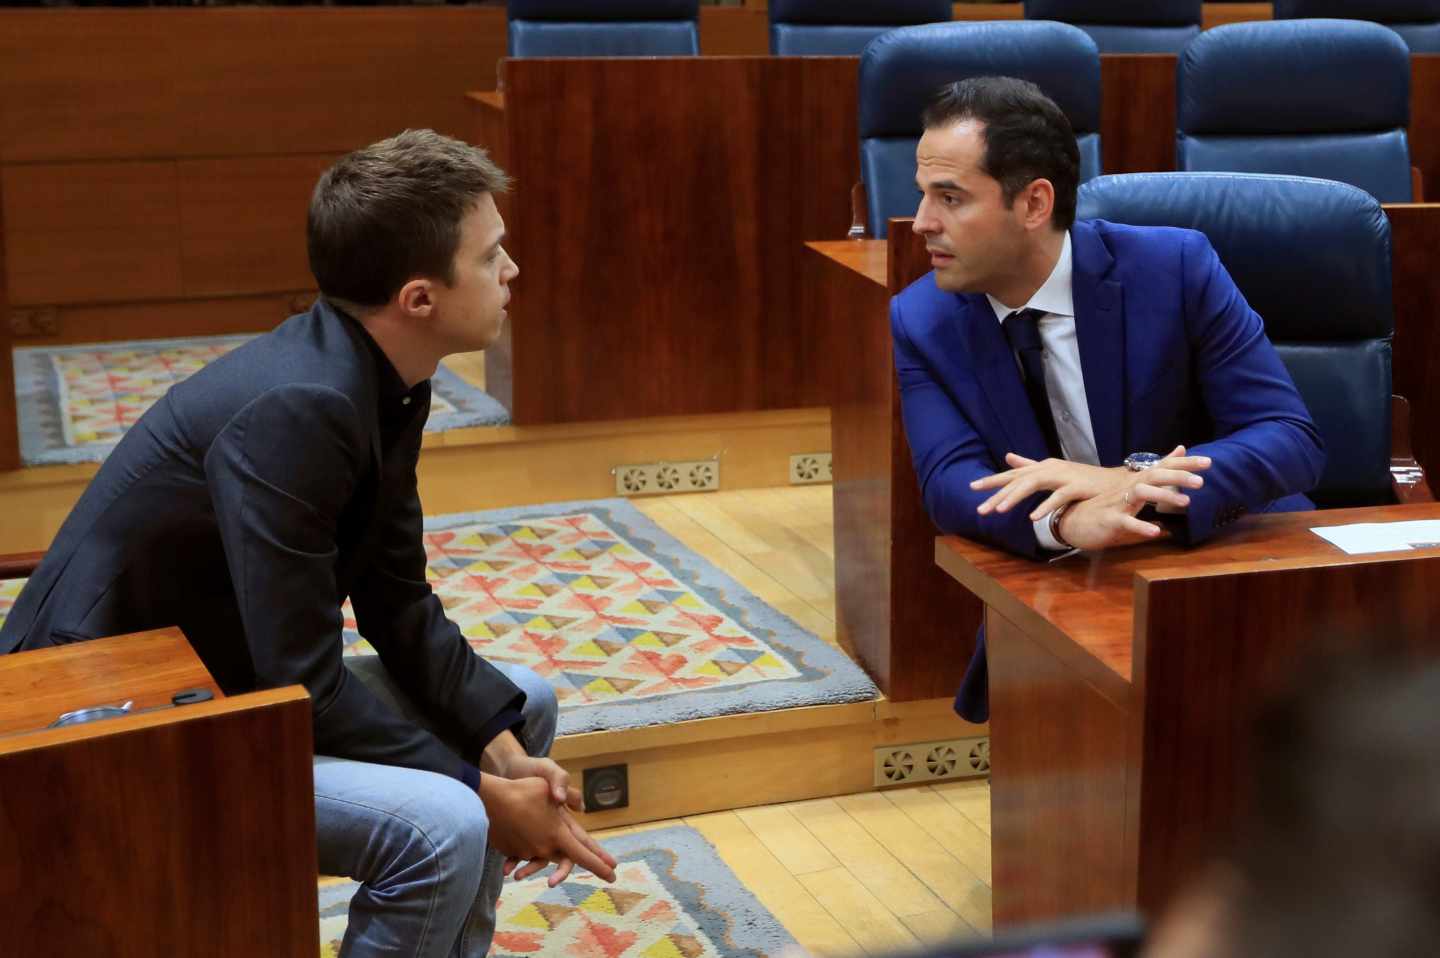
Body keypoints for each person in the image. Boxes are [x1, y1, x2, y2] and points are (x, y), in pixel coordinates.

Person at [0, 129, 616, 957]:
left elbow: (398, 604)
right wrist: (479, 788)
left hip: (228, 684)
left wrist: (500, 755)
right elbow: (304, 682)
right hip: (106, 730)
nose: (512, 271)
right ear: (419, 298)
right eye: (492, 254)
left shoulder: (387, 379)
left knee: (522, 703)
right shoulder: (302, 409)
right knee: (445, 823)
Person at [892, 77, 1325, 720]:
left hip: (1227, 564)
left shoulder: (1174, 268)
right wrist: (1064, 521)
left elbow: (1289, 436)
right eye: (924, 193)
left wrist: (1130, 484)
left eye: (950, 197)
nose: (921, 221)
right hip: (1069, 587)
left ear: (1035, 202)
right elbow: (949, 481)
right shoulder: (920, 318)